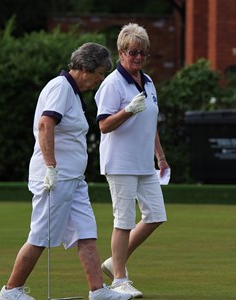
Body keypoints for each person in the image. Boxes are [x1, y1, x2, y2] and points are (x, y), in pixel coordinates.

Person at [0, 42, 132, 300]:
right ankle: (11, 291)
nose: (101, 79)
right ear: (85, 67)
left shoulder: (73, 92)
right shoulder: (60, 87)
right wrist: (50, 168)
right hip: (54, 178)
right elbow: (46, 125)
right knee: (40, 236)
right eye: (100, 73)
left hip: (73, 179)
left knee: (86, 233)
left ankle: (98, 291)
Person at [94, 23, 169, 298]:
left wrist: (159, 156)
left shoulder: (148, 82)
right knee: (123, 220)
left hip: (143, 163)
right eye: (134, 52)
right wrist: (127, 110)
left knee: (156, 215)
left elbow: (151, 123)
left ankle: (115, 262)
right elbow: (103, 125)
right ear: (121, 52)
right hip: (120, 162)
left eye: (144, 53)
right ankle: (120, 280)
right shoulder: (112, 84)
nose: (139, 57)